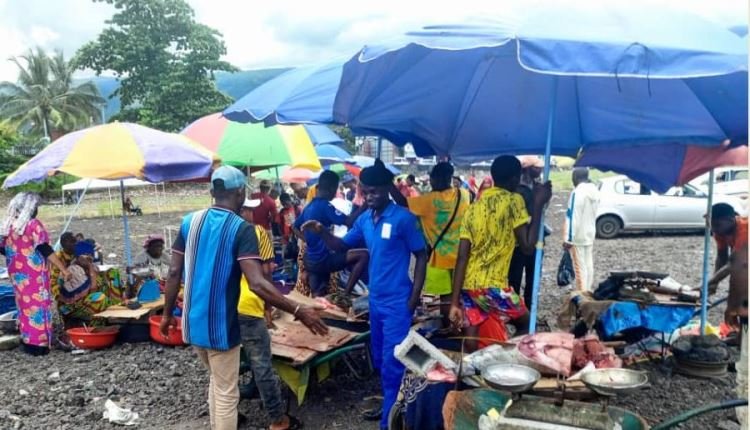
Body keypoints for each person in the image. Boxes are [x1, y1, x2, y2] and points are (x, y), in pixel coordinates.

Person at [160, 165, 327, 430]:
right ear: (239, 193)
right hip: (221, 325)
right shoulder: (241, 229)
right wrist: (298, 309)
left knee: (217, 382)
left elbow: (172, 272)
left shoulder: (189, 222)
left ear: (214, 192)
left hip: (192, 322)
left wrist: (168, 315)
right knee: (227, 393)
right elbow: (258, 283)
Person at [301, 159, 427, 429]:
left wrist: (414, 297)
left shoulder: (403, 219)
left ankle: (389, 422)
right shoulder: (365, 221)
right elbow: (340, 246)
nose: (370, 197)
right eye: (365, 191)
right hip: (375, 302)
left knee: (393, 363)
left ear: (386, 189)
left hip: (397, 304)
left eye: (375, 191)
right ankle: (394, 406)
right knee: (382, 360)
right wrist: (322, 232)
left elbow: (421, 254)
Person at [449, 156, 552, 351]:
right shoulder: (514, 201)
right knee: (526, 323)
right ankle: (508, 363)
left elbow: (462, 257)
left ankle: (471, 375)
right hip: (493, 286)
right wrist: (538, 204)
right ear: (515, 178)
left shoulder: (474, 208)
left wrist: (455, 302)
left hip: (469, 284)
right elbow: (528, 247)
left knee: (472, 339)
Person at [237, 198, 298, 430]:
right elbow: (264, 272)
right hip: (249, 304)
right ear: (241, 209)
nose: (253, 212)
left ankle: (229, 412)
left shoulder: (220, 232)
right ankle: (278, 420)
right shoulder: (257, 232)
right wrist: (268, 306)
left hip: (223, 306)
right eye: (249, 208)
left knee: (227, 363)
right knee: (262, 361)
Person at [392, 162, 469, 319]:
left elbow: (401, 202)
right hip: (463, 255)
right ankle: (462, 330)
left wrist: (388, 182)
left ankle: (449, 331)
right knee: (463, 297)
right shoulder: (463, 194)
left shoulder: (427, 201)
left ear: (433, 179)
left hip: (439, 258)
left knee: (446, 300)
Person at [0, 193, 71, 355]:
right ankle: (40, 344)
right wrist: (63, 269)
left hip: (17, 274)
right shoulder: (33, 225)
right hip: (35, 274)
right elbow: (44, 248)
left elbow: (3, 248)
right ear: (30, 209)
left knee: (24, 307)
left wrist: (18, 256)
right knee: (39, 306)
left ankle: (28, 342)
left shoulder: (8, 227)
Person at [293, 171, 368, 297]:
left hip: (310, 259)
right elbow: (349, 221)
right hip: (323, 260)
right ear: (332, 188)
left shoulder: (309, 206)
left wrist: (309, 241)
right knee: (363, 255)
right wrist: (365, 206)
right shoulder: (325, 206)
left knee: (318, 296)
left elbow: (294, 227)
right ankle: (346, 294)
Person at [707, 203, 748, 427]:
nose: (716, 229)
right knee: (743, 313)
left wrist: (732, 306)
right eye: (713, 225)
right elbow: (722, 257)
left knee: (743, 306)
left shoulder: (745, 229)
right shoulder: (720, 230)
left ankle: (745, 354)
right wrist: (713, 283)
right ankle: (742, 344)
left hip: (746, 265)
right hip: (743, 265)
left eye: (719, 224)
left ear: (733, 218)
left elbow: (738, 265)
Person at [509, 156, 544, 308]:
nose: (540, 170)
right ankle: (518, 309)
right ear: (528, 169)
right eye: (536, 168)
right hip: (521, 239)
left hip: (533, 236)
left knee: (530, 277)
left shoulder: (536, 186)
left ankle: (527, 307)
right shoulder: (518, 190)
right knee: (516, 278)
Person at [58, 241, 122, 321]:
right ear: (78, 257)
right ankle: (97, 325)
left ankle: (117, 308)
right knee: (99, 298)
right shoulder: (74, 270)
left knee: (113, 272)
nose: (90, 257)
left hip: (86, 299)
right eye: (87, 255)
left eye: (91, 255)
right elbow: (93, 289)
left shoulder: (87, 266)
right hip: (73, 306)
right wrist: (90, 266)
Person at [563, 168, 601, 292]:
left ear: (575, 177)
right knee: (588, 265)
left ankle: (582, 295)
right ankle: (588, 290)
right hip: (590, 232)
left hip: (578, 236)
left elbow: (574, 215)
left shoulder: (578, 192)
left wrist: (569, 238)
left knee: (580, 268)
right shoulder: (594, 191)